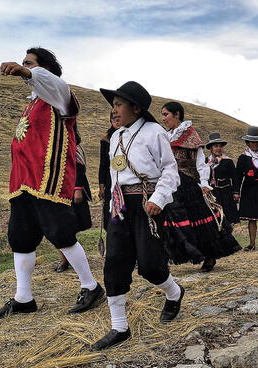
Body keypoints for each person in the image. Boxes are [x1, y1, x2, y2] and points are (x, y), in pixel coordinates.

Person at [0, 48, 104, 319]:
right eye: (26, 64)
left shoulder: (59, 95)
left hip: (47, 180)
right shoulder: (34, 101)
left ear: (45, 69)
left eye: (30, 63)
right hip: (23, 182)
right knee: (20, 237)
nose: (25, 67)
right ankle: (23, 297)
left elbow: (52, 82)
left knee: (60, 232)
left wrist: (27, 71)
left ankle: (91, 286)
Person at [91, 81, 182, 350]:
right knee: (114, 263)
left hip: (146, 204)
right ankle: (119, 326)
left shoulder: (154, 132)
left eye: (119, 104)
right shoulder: (115, 137)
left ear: (135, 107)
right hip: (120, 207)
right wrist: (111, 208)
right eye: (113, 105)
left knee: (151, 265)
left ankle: (174, 292)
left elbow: (170, 170)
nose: (114, 110)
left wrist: (158, 199)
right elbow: (114, 176)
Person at [162, 102, 240, 272]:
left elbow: (200, 163)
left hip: (189, 184)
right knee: (177, 221)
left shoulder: (190, 134)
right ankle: (190, 253)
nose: (163, 118)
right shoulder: (164, 136)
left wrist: (204, 184)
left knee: (200, 222)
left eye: (166, 114)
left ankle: (209, 256)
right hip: (171, 185)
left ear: (177, 115)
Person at [56, 126, 93, 272]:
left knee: (65, 227)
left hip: (71, 192)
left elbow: (77, 169)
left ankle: (68, 260)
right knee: (60, 226)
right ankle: (64, 260)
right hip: (59, 191)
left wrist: (77, 189)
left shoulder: (74, 149)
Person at [205, 132, 240, 224]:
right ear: (211, 148)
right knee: (213, 216)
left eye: (220, 146)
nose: (218, 148)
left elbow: (235, 178)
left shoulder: (227, 161)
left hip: (226, 193)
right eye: (216, 146)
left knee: (227, 216)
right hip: (211, 193)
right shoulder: (206, 162)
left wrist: (236, 192)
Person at [98, 114, 119, 230]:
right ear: (111, 121)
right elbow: (103, 164)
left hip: (124, 177)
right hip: (109, 178)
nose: (117, 122)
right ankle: (110, 230)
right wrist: (101, 186)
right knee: (109, 206)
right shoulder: (106, 140)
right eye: (115, 120)